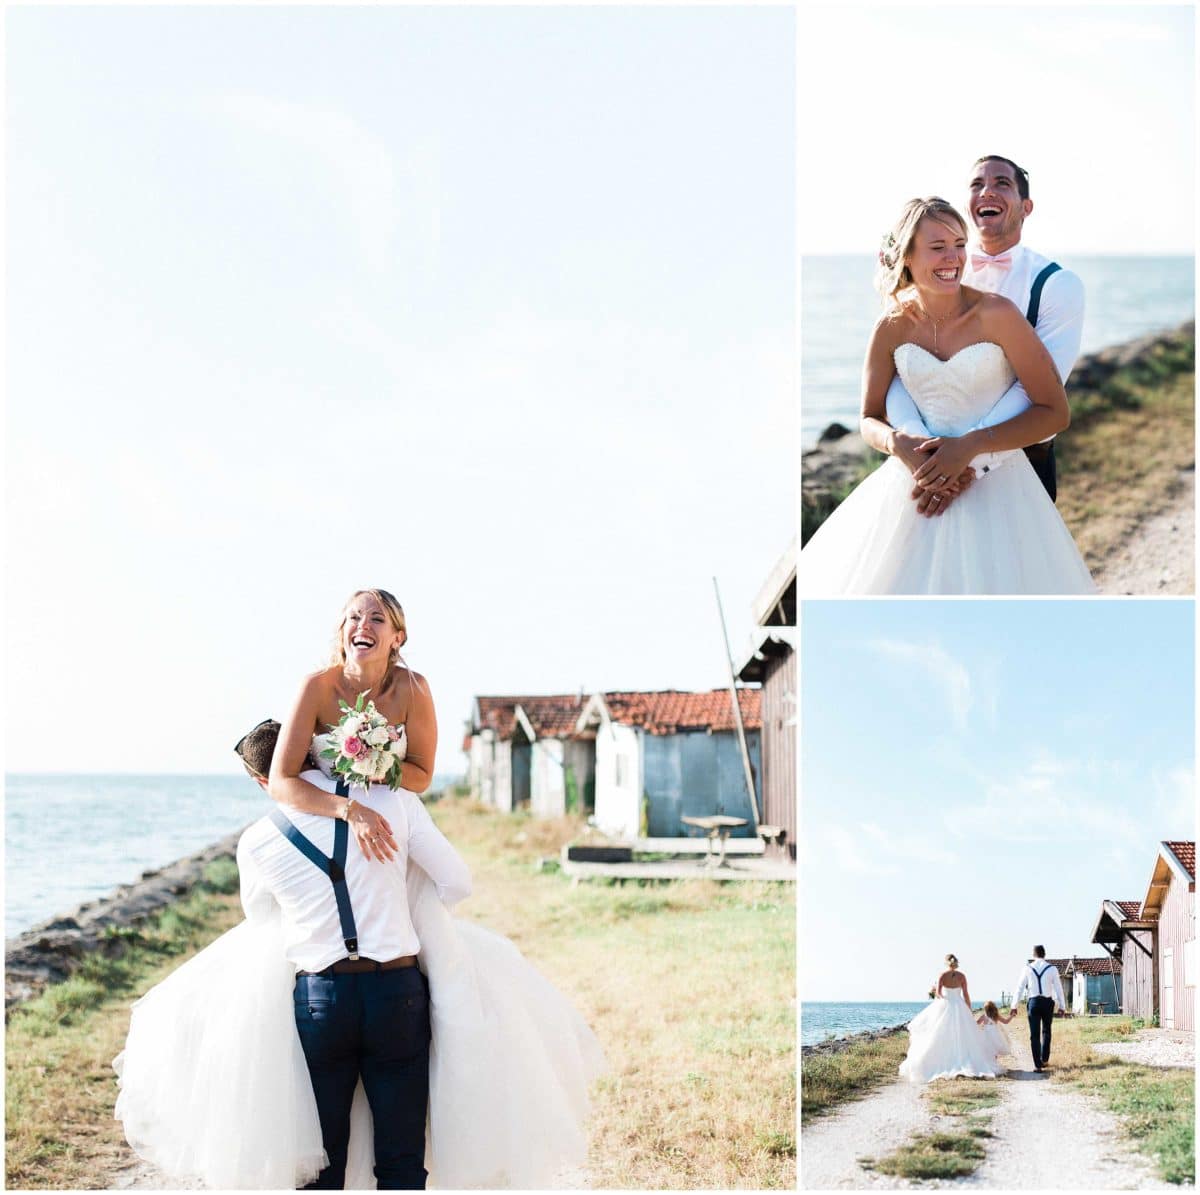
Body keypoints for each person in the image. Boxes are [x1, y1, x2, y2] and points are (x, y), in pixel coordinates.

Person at [114, 602, 606, 1189]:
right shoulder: (398, 806)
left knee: (322, 1165)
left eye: (376, 619)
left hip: (319, 998)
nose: (361, 628)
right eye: (354, 618)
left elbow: (262, 921)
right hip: (396, 990)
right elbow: (458, 883)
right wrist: (402, 893)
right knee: (400, 1163)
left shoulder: (257, 842)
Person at [799, 196, 1095, 594]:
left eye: (959, 244)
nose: (953, 258)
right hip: (914, 486)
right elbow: (869, 418)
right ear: (906, 256)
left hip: (999, 491)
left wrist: (970, 448)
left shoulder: (998, 314)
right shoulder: (891, 326)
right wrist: (897, 444)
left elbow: (1054, 412)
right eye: (938, 247)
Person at [887, 155, 1085, 512]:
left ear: (1026, 207)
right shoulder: (941, 269)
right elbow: (904, 361)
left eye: (1001, 184)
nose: (987, 191)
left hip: (1020, 463)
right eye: (977, 185)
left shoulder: (1057, 285)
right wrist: (924, 453)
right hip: (930, 465)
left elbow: (1037, 389)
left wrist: (967, 458)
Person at [899, 954, 1002, 1084]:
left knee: (939, 1032)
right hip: (959, 1005)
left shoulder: (942, 975)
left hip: (946, 1004)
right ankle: (966, 1061)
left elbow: (938, 993)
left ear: (946, 963)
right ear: (956, 963)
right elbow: (966, 994)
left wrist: (940, 996)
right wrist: (968, 1009)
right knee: (964, 1034)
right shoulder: (962, 976)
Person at [1013, 946, 1066, 1072]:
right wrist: (1062, 1006)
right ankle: (1045, 1060)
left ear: (1033, 955)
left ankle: (1037, 1065)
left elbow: (1019, 988)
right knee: (1047, 1031)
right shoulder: (1052, 969)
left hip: (1034, 1002)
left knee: (1034, 1035)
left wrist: (1014, 1006)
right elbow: (1059, 988)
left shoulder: (1027, 968)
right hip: (1048, 1002)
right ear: (1044, 954)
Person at [976, 1000, 1018, 1064]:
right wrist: (1011, 1016)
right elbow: (1006, 1021)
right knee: (994, 1048)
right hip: (995, 1034)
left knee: (987, 1048)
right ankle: (994, 1062)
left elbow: (976, 1023)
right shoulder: (996, 1016)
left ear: (985, 1009)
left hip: (986, 1034)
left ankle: (989, 1062)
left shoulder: (984, 1016)